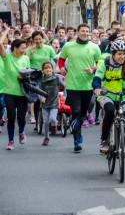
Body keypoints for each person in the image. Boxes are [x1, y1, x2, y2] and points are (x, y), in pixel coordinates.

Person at [58, 24, 102, 152]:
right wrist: (61, 68)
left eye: (87, 31)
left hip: (87, 85)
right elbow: (61, 59)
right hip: (72, 84)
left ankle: (75, 124)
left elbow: (100, 63)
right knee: (76, 111)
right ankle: (77, 140)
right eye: (82, 31)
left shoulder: (94, 47)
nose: (85, 33)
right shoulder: (68, 46)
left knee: (82, 113)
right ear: (78, 32)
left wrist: (93, 69)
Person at [0, 23, 30, 150]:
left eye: (25, 48)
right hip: (9, 92)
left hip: (23, 93)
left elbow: (29, 73)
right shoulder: (7, 58)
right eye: (22, 48)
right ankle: (11, 141)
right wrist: (6, 31)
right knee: (11, 117)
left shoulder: (26, 58)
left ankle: (21, 132)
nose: (24, 50)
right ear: (15, 48)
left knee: (21, 118)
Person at [26, 31, 57, 126]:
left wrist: (54, 69)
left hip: (47, 74)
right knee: (37, 99)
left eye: (40, 39)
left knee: (49, 95)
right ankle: (36, 122)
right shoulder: (30, 49)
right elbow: (26, 62)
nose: (38, 41)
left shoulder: (48, 48)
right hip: (35, 76)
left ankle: (52, 118)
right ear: (33, 40)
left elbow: (55, 59)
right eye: (36, 39)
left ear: (42, 39)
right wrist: (30, 54)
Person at [38, 62, 66, 146]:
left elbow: (64, 87)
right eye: (45, 68)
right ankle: (46, 137)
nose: (48, 69)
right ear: (43, 70)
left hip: (54, 102)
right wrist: (40, 97)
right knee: (46, 122)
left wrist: (65, 95)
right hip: (45, 103)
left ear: (52, 69)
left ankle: (55, 123)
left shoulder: (56, 78)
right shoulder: (41, 79)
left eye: (49, 68)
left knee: (53, 118)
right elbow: (37, 90)